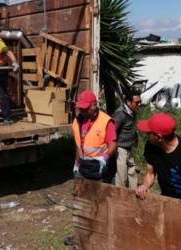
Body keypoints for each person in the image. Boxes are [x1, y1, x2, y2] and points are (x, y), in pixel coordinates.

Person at [64, 90, 117, 246]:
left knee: (102, 205)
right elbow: (79, 145)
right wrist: (76, 163)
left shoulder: (106, 121)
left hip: (101, 169)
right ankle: (81, 236)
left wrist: (105, 157)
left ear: (95, 105)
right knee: (83, 205)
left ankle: (105, 238)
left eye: (86, 107)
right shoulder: (77, 121)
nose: (82, 110)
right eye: (80, 107)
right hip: (83, 168)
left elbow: (113, 144)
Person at [113, 89, 141, 189]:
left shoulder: (132, 111)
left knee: (132, 171)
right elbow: (112, 131)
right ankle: (120, 196)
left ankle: (132, 194)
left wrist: (135, 136)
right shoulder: (120, 114)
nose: (139, 105)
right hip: (120, 149)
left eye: (140, 102)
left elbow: (130, 126)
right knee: (122, 176)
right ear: (128, 102)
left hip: (128, 147)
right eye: (137, 102)